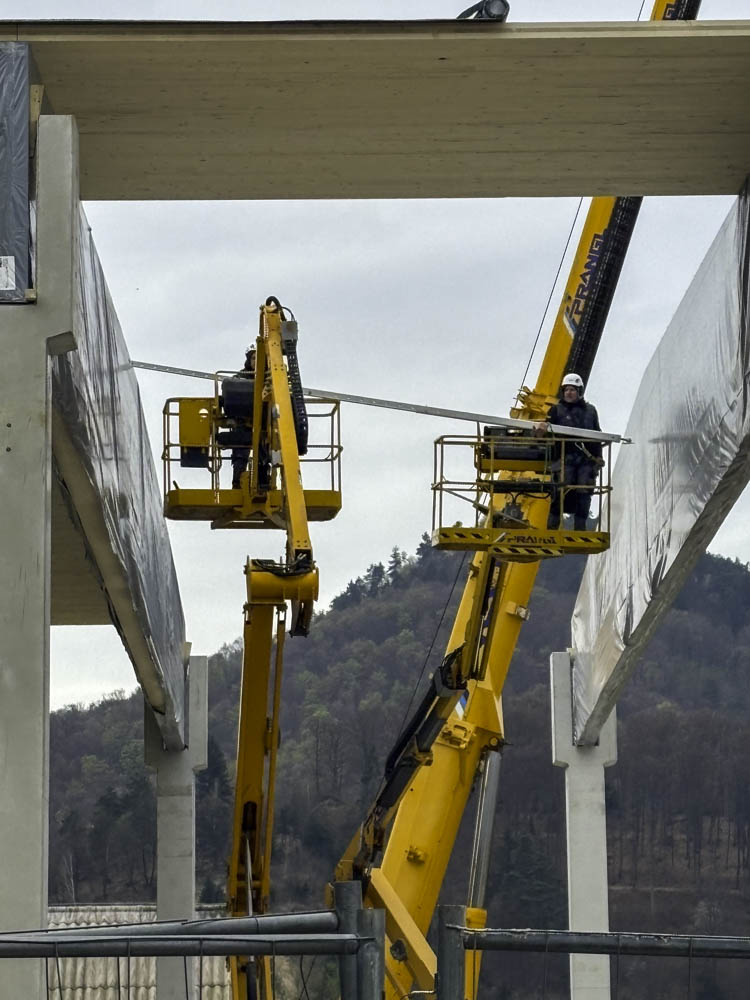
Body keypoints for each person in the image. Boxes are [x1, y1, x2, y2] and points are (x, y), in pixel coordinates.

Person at [540, 372, 603, 531]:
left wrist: (598, 458)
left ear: (579, 391)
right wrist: (541, 429)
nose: (569, 392)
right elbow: (545, 432)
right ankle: (552, 528)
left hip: (586, 461)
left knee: (584, 492)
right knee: (560, 492)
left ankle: (580, 528)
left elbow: (597, 435)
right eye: (566, 389)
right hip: (563, 459)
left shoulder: (590, 411)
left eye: (572, 389)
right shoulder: (555, 411)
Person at [230, 346, 255, 489]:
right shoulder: (241, 377)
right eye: (253, 358)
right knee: (240, 453)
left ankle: (264, 481)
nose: (256, 361)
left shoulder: (272, 378)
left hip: (265, 424)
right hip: (243, 422)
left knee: (266, 454)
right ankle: (237, 482)